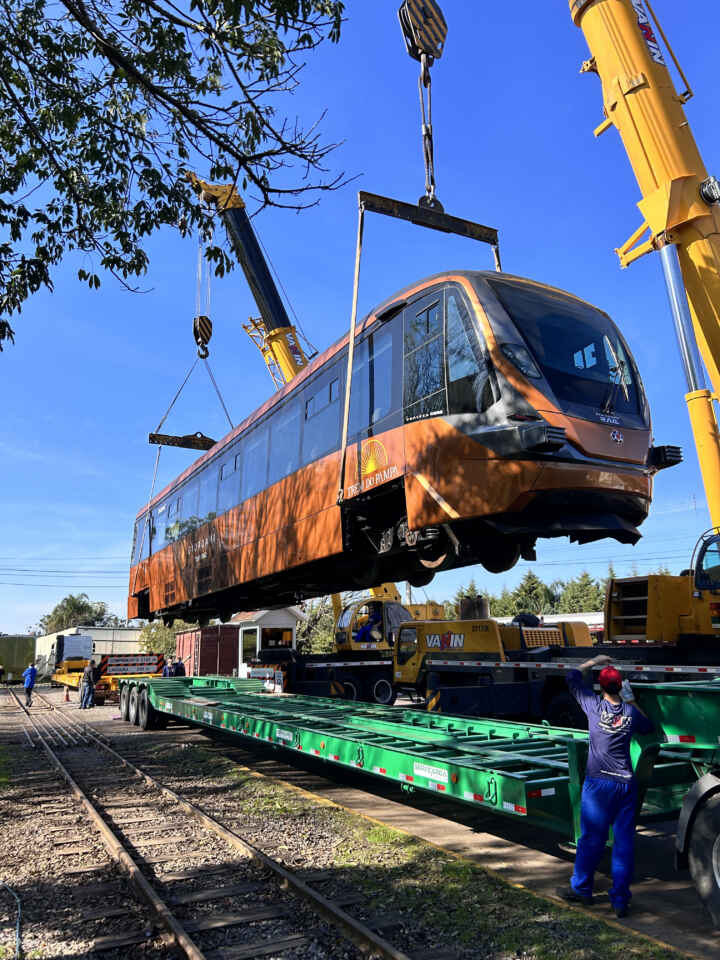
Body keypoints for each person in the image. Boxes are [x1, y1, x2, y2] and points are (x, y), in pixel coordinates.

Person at [556, 654, 654, 918]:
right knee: (623, 844)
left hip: (599, 784)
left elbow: (572, 677)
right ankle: (620, 900)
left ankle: (582, 889)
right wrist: (631, 698)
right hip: (625, 784)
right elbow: (648, 726)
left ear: (600, 687)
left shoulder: (592, 706)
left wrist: (593, 661)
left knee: (591, 839)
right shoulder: (631, 713)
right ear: (621, 686)